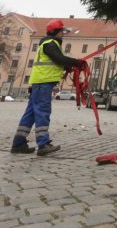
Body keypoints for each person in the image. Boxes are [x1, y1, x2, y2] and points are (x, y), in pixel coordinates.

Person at [10, 19, 82, 156]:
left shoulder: (48, 43)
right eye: (62, 31)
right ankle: (43, 144)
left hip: (40, 83)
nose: (63, 34)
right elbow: (59, 59)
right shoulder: (50, 43)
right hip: (43, 83)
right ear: (56, 31)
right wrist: (77, 63)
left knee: (30, 114)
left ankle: (18, 144)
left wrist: (68, 66)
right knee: (43, 112)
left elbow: (56, 61)